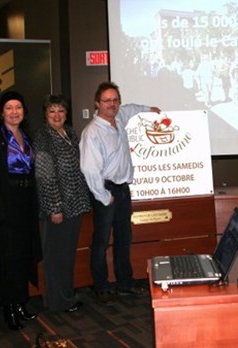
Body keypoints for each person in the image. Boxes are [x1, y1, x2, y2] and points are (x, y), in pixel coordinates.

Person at [79, 81, 160, 303]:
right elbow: (89, 169)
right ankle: (102, 286)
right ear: (97, 103)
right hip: (106, 191)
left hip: (123, 190)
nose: (112, 104)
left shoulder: (120, 117)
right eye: (107, 100)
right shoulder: (92, 132)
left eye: (115, 100)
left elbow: (132, 108)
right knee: (102, 241)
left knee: (124, 239)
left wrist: (149, 110)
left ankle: (125, 283)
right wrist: (104, 196)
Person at [0, 90, 41, 330]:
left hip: (25, 203)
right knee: (8, 260)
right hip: (5, 207)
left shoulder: (27, 137)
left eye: (18, 107)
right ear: (1, 112)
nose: (14, 112)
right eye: (9, 108)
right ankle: (9, 307)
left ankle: (20, 303)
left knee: (23, 256)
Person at [34, 94, 91, 312]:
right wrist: (55, 208)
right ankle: (57, 302)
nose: (57, 115)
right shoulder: (43, 137)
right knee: (56, 257)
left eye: (60, 111)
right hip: (58, 209)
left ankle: (66, 296)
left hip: (74, 206)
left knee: (67, 255)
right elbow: (45, 176)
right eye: (52, 111)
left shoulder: (70, 133)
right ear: (45, 114)